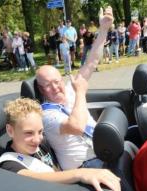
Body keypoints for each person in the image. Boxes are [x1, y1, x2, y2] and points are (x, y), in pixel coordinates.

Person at [35, 6, 114, 170]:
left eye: (57, 81)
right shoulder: (46, 114)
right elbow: (76, 127)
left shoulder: (70, 89)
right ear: (42, 90)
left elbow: (91, 61)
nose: (56, 87)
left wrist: (103, 29)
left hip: (100, 151)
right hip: (84, 166)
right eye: (48, 85)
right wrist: (80, 92)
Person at [0, 98, 121, 191]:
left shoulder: (41, 144)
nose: (37, 139)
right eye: (28, 133)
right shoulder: (8, 164)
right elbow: (36, 178)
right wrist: (81, 173)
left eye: (40, 131)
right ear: (10, 130)